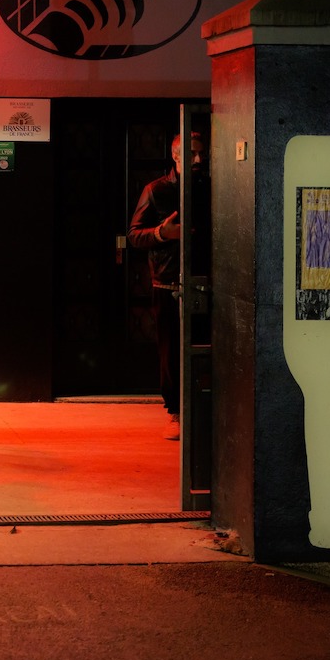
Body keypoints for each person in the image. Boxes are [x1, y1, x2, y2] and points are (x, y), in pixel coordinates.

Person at [127, 131, 209, 440]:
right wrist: (162, 234)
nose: (199, 159)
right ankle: (174, 412)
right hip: (168, 283)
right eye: (192, 154)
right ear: (176, 157)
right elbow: (135, 235)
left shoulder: (209, 186)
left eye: (202, 153)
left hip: (205, 282)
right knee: (171, 351)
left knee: (205, 347)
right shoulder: (156, 190)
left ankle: (202, 410)